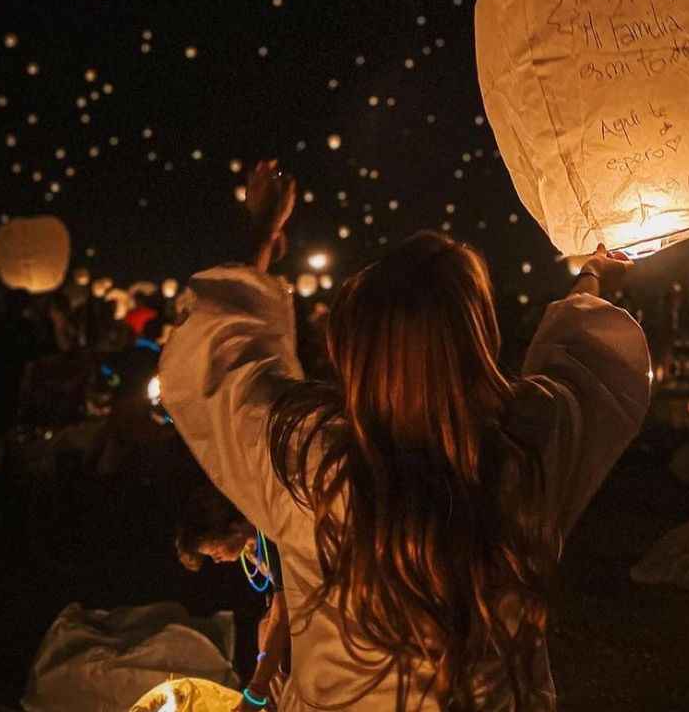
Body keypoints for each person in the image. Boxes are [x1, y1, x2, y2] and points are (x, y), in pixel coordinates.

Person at [160, 160, 651, 711]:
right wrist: (594, 278)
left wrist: (259, 237)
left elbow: (222, 366)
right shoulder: (530, 449)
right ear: (477, 336)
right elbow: (587, 357)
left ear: (354, 350)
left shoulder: (312, 466)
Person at [176, 481, 290, 710]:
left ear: (235, 528)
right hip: (283, 617)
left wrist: (256, 691)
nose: (217, 561)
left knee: (270, 630)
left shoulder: (273, 537)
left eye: (215, 552)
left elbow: (283, 613)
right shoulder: (250, 549)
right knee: (264, 629)